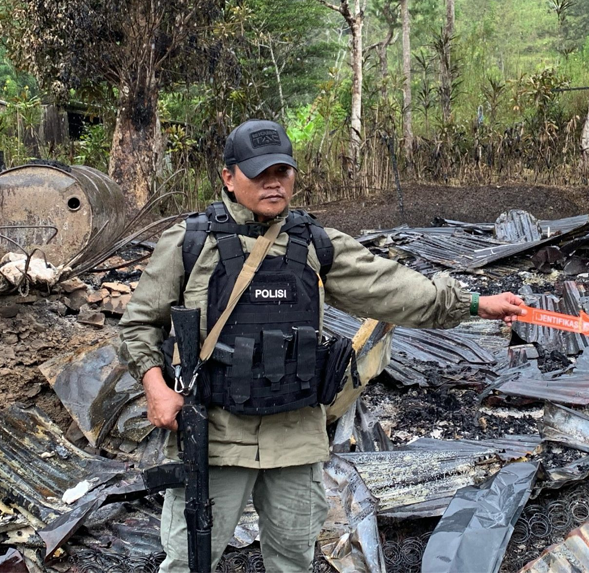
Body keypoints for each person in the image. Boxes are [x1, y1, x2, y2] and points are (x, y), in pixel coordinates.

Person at [118, 119, 527, 573]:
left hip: (295, 438)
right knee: (188, 563)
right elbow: (138, 324)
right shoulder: (191, 243)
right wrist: (155, 386)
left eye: (283, 171)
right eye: (259, 173)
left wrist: (473, 304)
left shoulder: (314, 243)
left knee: (294, 560)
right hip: (216, 438)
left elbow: (390, 288)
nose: (274, 183)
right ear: (228, 177)